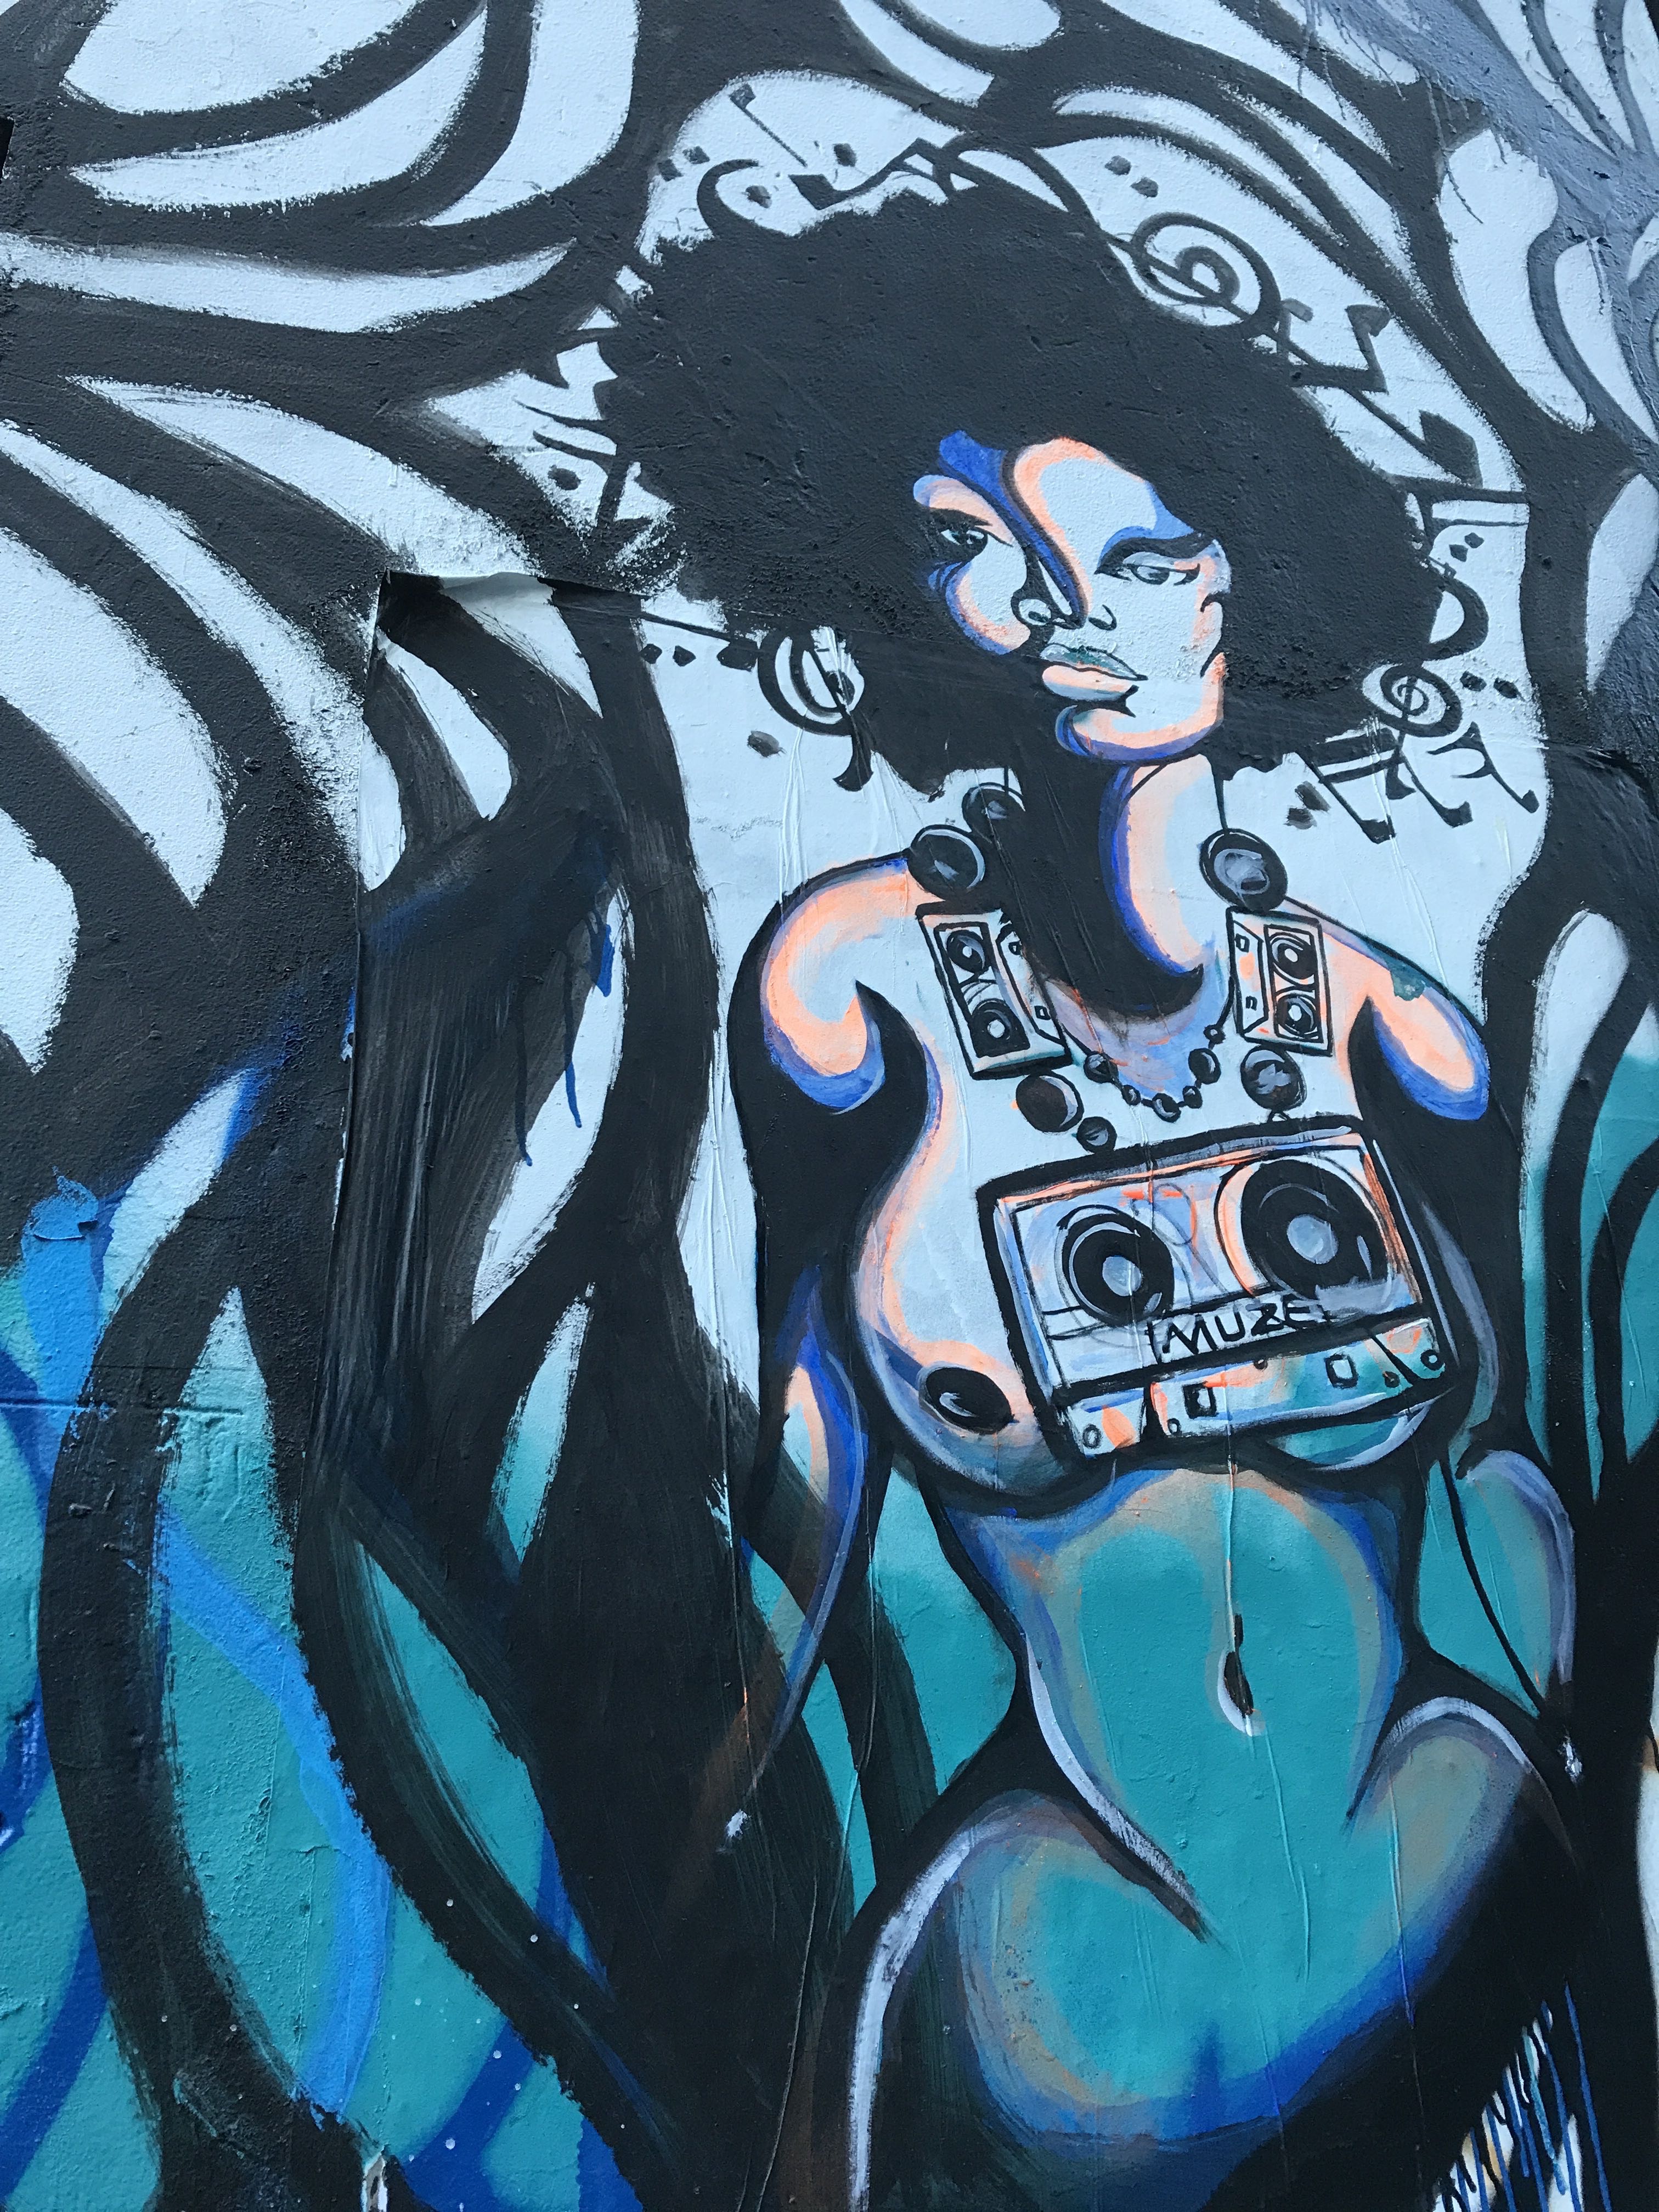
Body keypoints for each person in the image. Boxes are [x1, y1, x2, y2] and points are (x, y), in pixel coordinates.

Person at [602, 169, 1588, 2210]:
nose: (1075, 614)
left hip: (1464, 1911)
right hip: (1044, 2002)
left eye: (1138, 554)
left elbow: (1520, 1487)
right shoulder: (851, 991)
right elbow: (781, 1495)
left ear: (1237, 580)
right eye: (986, 555)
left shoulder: (1390, 1030)